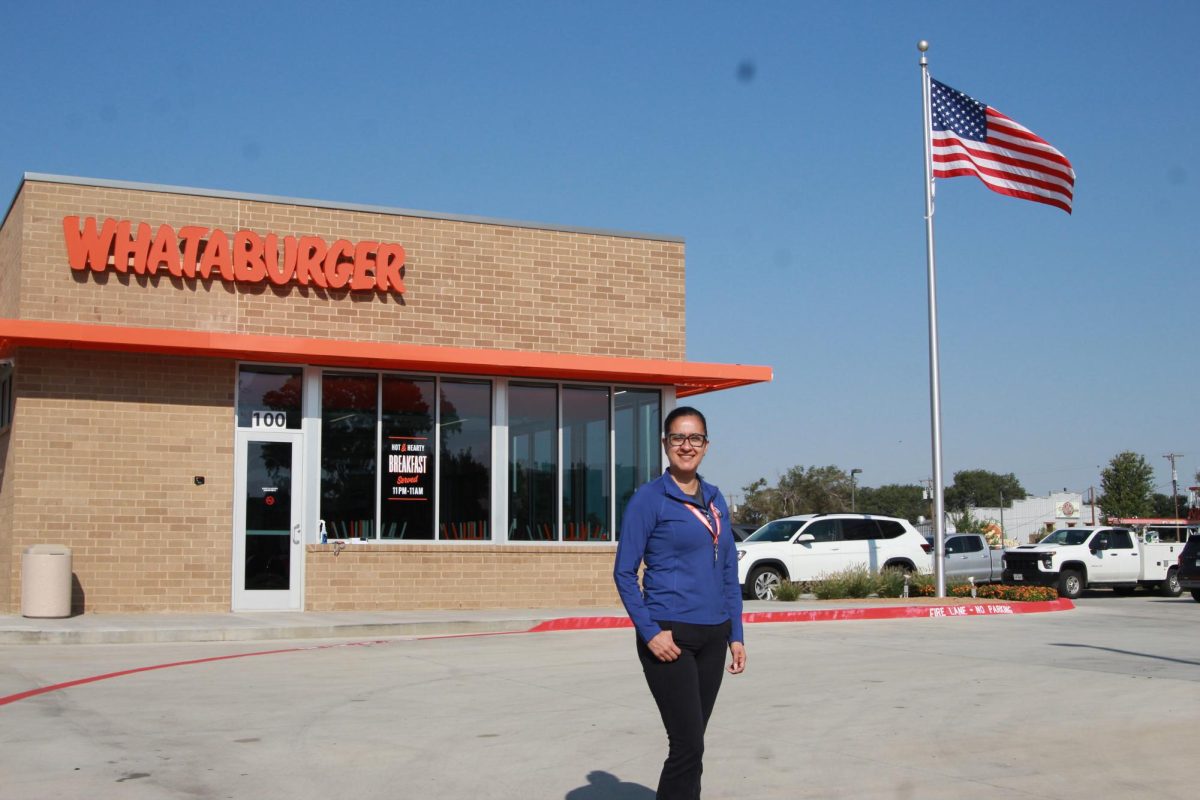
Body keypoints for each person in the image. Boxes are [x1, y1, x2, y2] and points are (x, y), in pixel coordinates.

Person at [613, 406, 746, 799]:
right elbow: (624, 573)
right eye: (678, 438)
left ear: (706, 445)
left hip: (713, 636)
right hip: (671, 639)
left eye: (695, 438)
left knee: (695, 744)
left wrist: (735, 635)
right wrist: (651, 633)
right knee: (687, 745)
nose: (686, 446)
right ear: (665, 444)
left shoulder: (717, 498)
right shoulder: (649, 499)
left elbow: (727, 573)